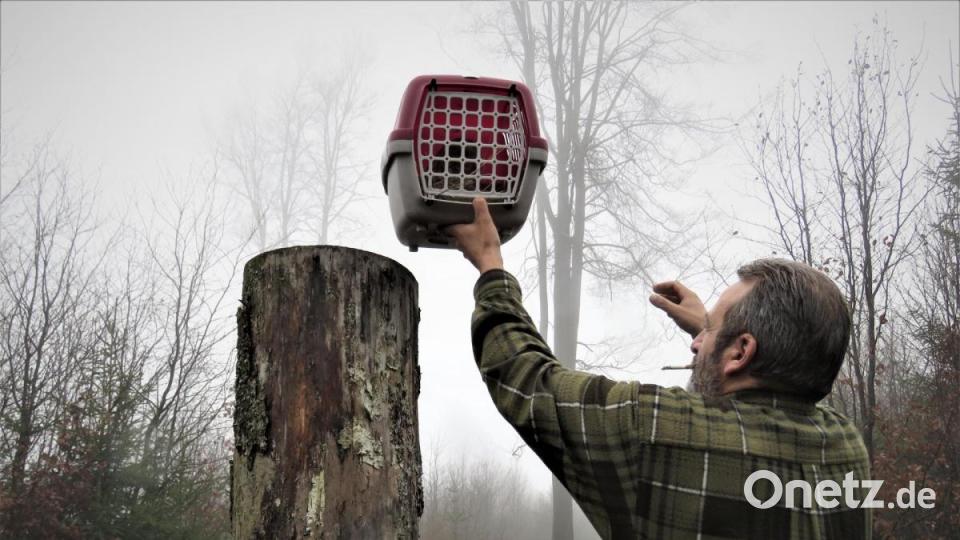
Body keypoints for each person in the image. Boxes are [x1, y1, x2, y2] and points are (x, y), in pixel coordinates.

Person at [448, 198, 871, 539]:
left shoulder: (648, 429)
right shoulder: (847, 451)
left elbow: (525, 376)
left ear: (741, 353)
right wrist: (717, 335)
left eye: (711, 333)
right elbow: (753, 408)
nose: (696, 341)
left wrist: (490, 264)